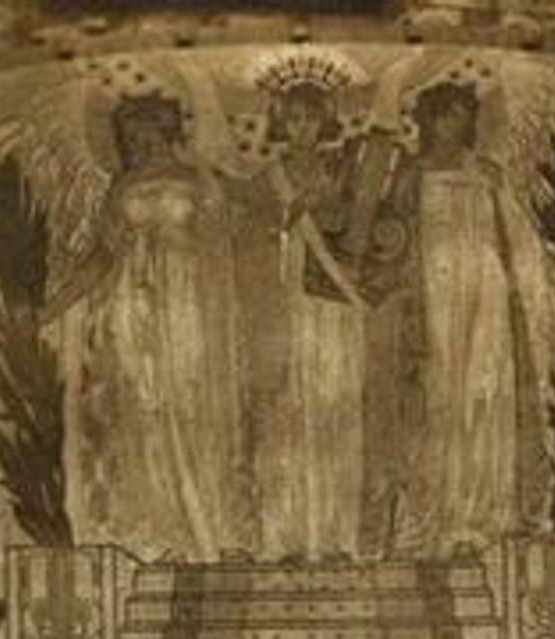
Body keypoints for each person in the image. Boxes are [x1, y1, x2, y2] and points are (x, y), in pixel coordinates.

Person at [52, 88, 250, 565]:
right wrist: (54, 304)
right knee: (144, 411)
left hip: (188, 304)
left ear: (167, 132)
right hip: (131, 306)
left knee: (194, 404)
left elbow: (228, 240)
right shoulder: (120, 188)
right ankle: (164, 532)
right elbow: (100, 254)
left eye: (145, 132)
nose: (136, 142)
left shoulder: (197, 180)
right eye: (128, 135)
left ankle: (215, 527)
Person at [362, 75, 555, 562]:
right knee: (440, 398)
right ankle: (439, 516)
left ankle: (483, 514)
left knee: (485, 392)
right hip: (434, 298)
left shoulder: (487, 173)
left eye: (462, 115)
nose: (455, 123)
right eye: (445, 113)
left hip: (485, 293)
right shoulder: (411, 174)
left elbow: (521, 240)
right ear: (429, 119)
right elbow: (386, 239)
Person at [245, 62, 379, 563]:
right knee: (290, 414)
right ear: (281, 121)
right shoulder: (268, 178)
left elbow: (365, 231)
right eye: (293, 118)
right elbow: (246, 240)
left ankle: (337, 537)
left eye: (310, 117)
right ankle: (289, 538)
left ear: (325, 121)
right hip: (288, 304)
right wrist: (284, 221)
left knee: (336, 408)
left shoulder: (345, 170)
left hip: (336, 302)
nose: (302, 127)